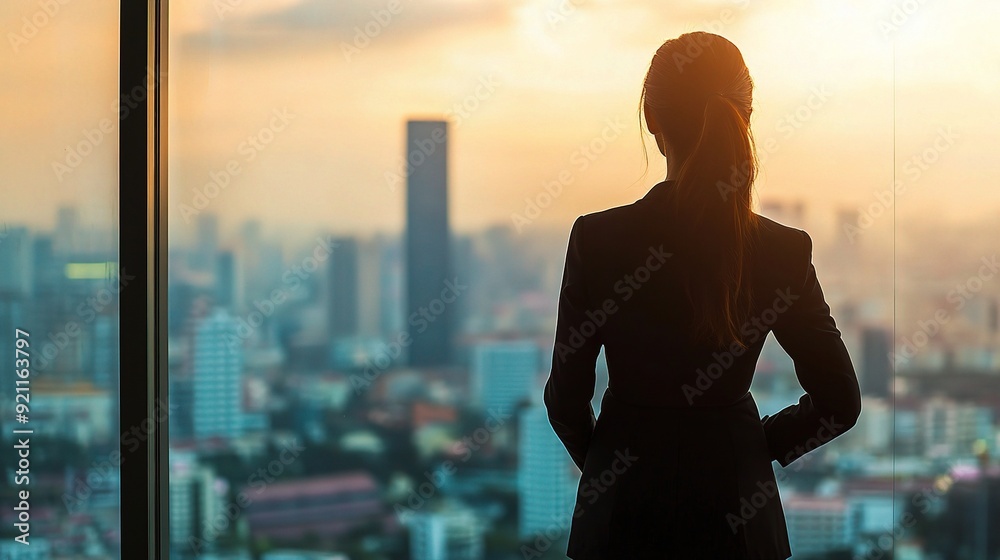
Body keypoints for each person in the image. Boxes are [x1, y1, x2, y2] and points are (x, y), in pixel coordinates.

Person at [543, 32, 862, 559]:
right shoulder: (782, 251)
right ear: (746, 117)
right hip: (740, 523)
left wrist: (612, 465)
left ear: (652, 119)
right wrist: (754, 450)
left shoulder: (598, 241)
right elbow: (841, 402)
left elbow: (565, 401)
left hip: (620, 521)